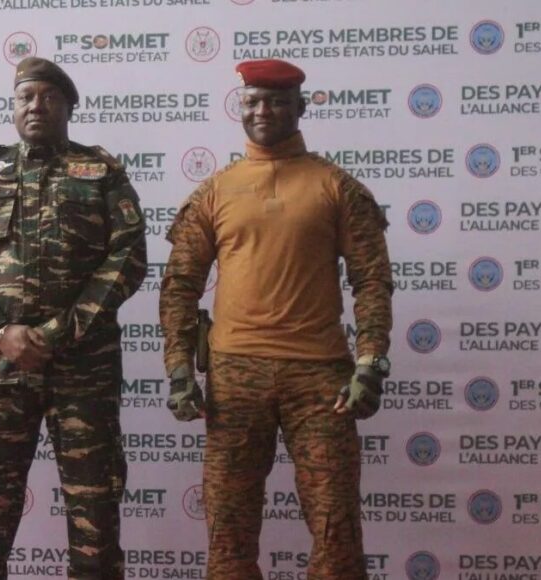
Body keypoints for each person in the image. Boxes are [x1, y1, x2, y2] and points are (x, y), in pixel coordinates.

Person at [159, 59, 393, 579]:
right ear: (241, 108)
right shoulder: (215, 192)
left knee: (336, 526)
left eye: (276, 102)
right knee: (228, 529)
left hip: (322, 379)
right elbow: (179, 284)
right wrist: (180, 369)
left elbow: (372, 279)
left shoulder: (337, 187)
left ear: (299, 107)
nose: (263, 111)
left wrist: (371, 362)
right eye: (253, 102)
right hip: (234, 377)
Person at [0, 57, 147, 580]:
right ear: (13, 108)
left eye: (48, 97)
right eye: (25, 97)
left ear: (68, 106)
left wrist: (57, 334)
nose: (36, 106)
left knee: (95, 512)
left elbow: (127, 258)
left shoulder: (100, 172)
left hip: (84, 370)